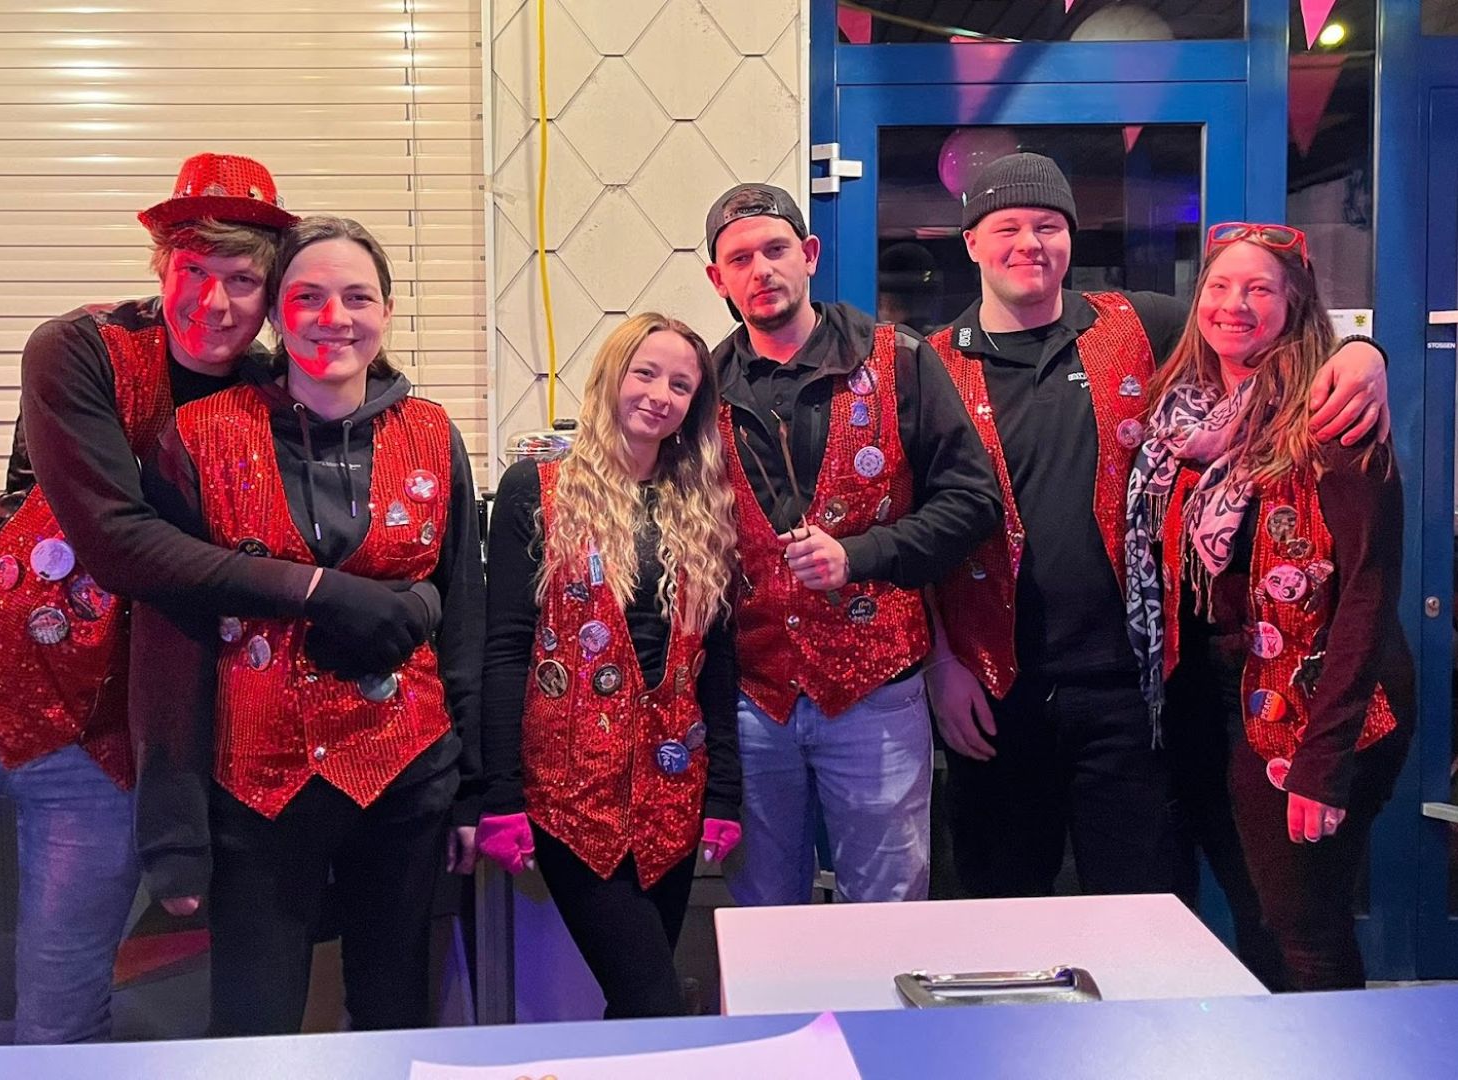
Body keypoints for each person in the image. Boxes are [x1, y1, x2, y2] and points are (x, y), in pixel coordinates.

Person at [0, 154, 415, 1046]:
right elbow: (115, 543)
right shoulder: (77, 347)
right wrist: (313, 591)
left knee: (66, 1008)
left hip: (113, 735)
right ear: (161, 266)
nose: (214, 303)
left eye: (242, 281)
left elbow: (369, 409)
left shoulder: (272, 397)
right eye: (194, 271)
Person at [921, 153, 1390, 907]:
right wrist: (940, 666)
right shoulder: (928, 366)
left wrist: (1364, 353)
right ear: (971, 242)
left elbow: (1257, 328)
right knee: (999, 909)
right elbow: (914, 528)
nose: (1029, 243)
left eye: (1047, 225)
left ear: (1071, 238)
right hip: (991, 689)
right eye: (1006, 227)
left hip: (1128, 694)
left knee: (1141, 912)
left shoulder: (1136, 324)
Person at [129, 215, 483, 1036]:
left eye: (357, 297)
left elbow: (462, 612)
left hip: (406, 775)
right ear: (277, 314)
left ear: (386, 310)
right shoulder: (199, 436)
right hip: (254, 784)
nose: (334, 318)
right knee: (253, 1025)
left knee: (395, 1012)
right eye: (308, 297)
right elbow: (168, 639)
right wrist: (173, 827)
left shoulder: (432, 433)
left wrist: (474, 791)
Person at [1124, 223, 1412, 990]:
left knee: (1304, 928)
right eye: (1219, 286)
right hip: (1210, 701)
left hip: (1311, 707)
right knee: (1253, 911)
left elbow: (1367, 595)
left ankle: (1334, 1049)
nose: (1234, 305)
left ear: (1295, 304)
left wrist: (1322, 760)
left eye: (1259, 289)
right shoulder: (1178, 414)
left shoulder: (1335, 418)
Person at [701, 183, 1001, 906]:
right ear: (717, 279)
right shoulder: (700, 386)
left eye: (775, 249)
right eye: (739, 259)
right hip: (752, 697)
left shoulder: (900, 361)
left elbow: (973, 502)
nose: (760, 269)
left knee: (887, 908)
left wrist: (860, 555)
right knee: (763, 912)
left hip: (876, 691)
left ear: (809, 255)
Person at [477, 313, 742, 1018]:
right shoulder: (536, 487)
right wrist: (499, 794)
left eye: (680, 385)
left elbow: (717, 661)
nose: (660, 395)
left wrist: (723, 795)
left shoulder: (704, 501)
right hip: (569, 791)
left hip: (673, 792)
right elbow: (506, 646)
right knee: (652, 996)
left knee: (637, 1003)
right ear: (610, 377)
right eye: (645, 373)